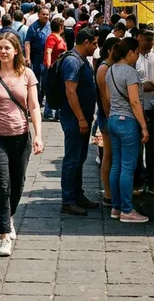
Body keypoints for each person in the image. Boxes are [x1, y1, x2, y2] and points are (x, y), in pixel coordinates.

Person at [0, 33, 43, 257]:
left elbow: (34, 106)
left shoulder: (27, 74)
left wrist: (38, 135)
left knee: (18, 184)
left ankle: (9, 216)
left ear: (16, 50)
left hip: (21, 137)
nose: (3, 51)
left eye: (7, 48)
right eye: (0, 48)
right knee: (2, 185)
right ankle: (4, 235)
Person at [105, 37, 149, 223]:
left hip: (113, 120)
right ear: (130, 53)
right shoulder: (130, 73)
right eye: (137, 53)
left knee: (116, 164)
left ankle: (116, 207)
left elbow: (108, 97)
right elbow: (134, 101)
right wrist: (144, 126)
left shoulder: (110, 71)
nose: (138, 56)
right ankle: (127, 210)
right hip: (127, 122)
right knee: (127, 168)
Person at [59, 28, 99, 216]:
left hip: (82, 116)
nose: (95, 47)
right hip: (74, 117)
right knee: (72, 158)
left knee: (80, 157)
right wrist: (81, 117)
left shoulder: (81, 60)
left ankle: (77, 194)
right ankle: (68, 199)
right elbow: (70, 91)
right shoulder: (72, 61)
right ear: (86, 42)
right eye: (94, 43)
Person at [135, 29, 154, 196]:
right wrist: (142, 86)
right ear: (139, 39)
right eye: (147, 40)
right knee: (137, 148)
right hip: (138, 107)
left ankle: (153, 180)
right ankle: (137, 180)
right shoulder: (133, 57)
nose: (150, 43)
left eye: (152, 40)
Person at [95, 36, 119, 206]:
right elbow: (105, 99)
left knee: (111, 155)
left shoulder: (110, 67)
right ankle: (108, 194)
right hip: (107, 115)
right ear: (110, 50)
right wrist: (110, 118)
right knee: (108, 155)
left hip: (110, 115)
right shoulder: (104, 68)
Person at [24, 7, 50, 104]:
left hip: (47, 57)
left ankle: (42, 99)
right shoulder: (33, 27)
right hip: (36, 58)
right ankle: (36, 100)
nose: (45, 16)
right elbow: (27, 42)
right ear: (38, 15)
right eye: (43, 14)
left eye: (47, 14)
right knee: (36, 80)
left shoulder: (50, 25)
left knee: (46, 80)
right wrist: (28, 58)